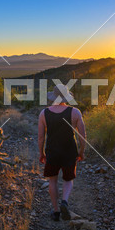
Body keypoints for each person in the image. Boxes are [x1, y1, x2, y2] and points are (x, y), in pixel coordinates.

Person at [38, 84, 86, 221]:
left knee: (52, 181)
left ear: (53, 97)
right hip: (69, 152)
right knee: (68, 180)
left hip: (52, 152)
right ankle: (64, 201)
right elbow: (83, 136)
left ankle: (56, 211)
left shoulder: (44, 113)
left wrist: (41, 154)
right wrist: (81, 152)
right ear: (66, 96)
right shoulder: (75, 112)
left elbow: (41, 137)